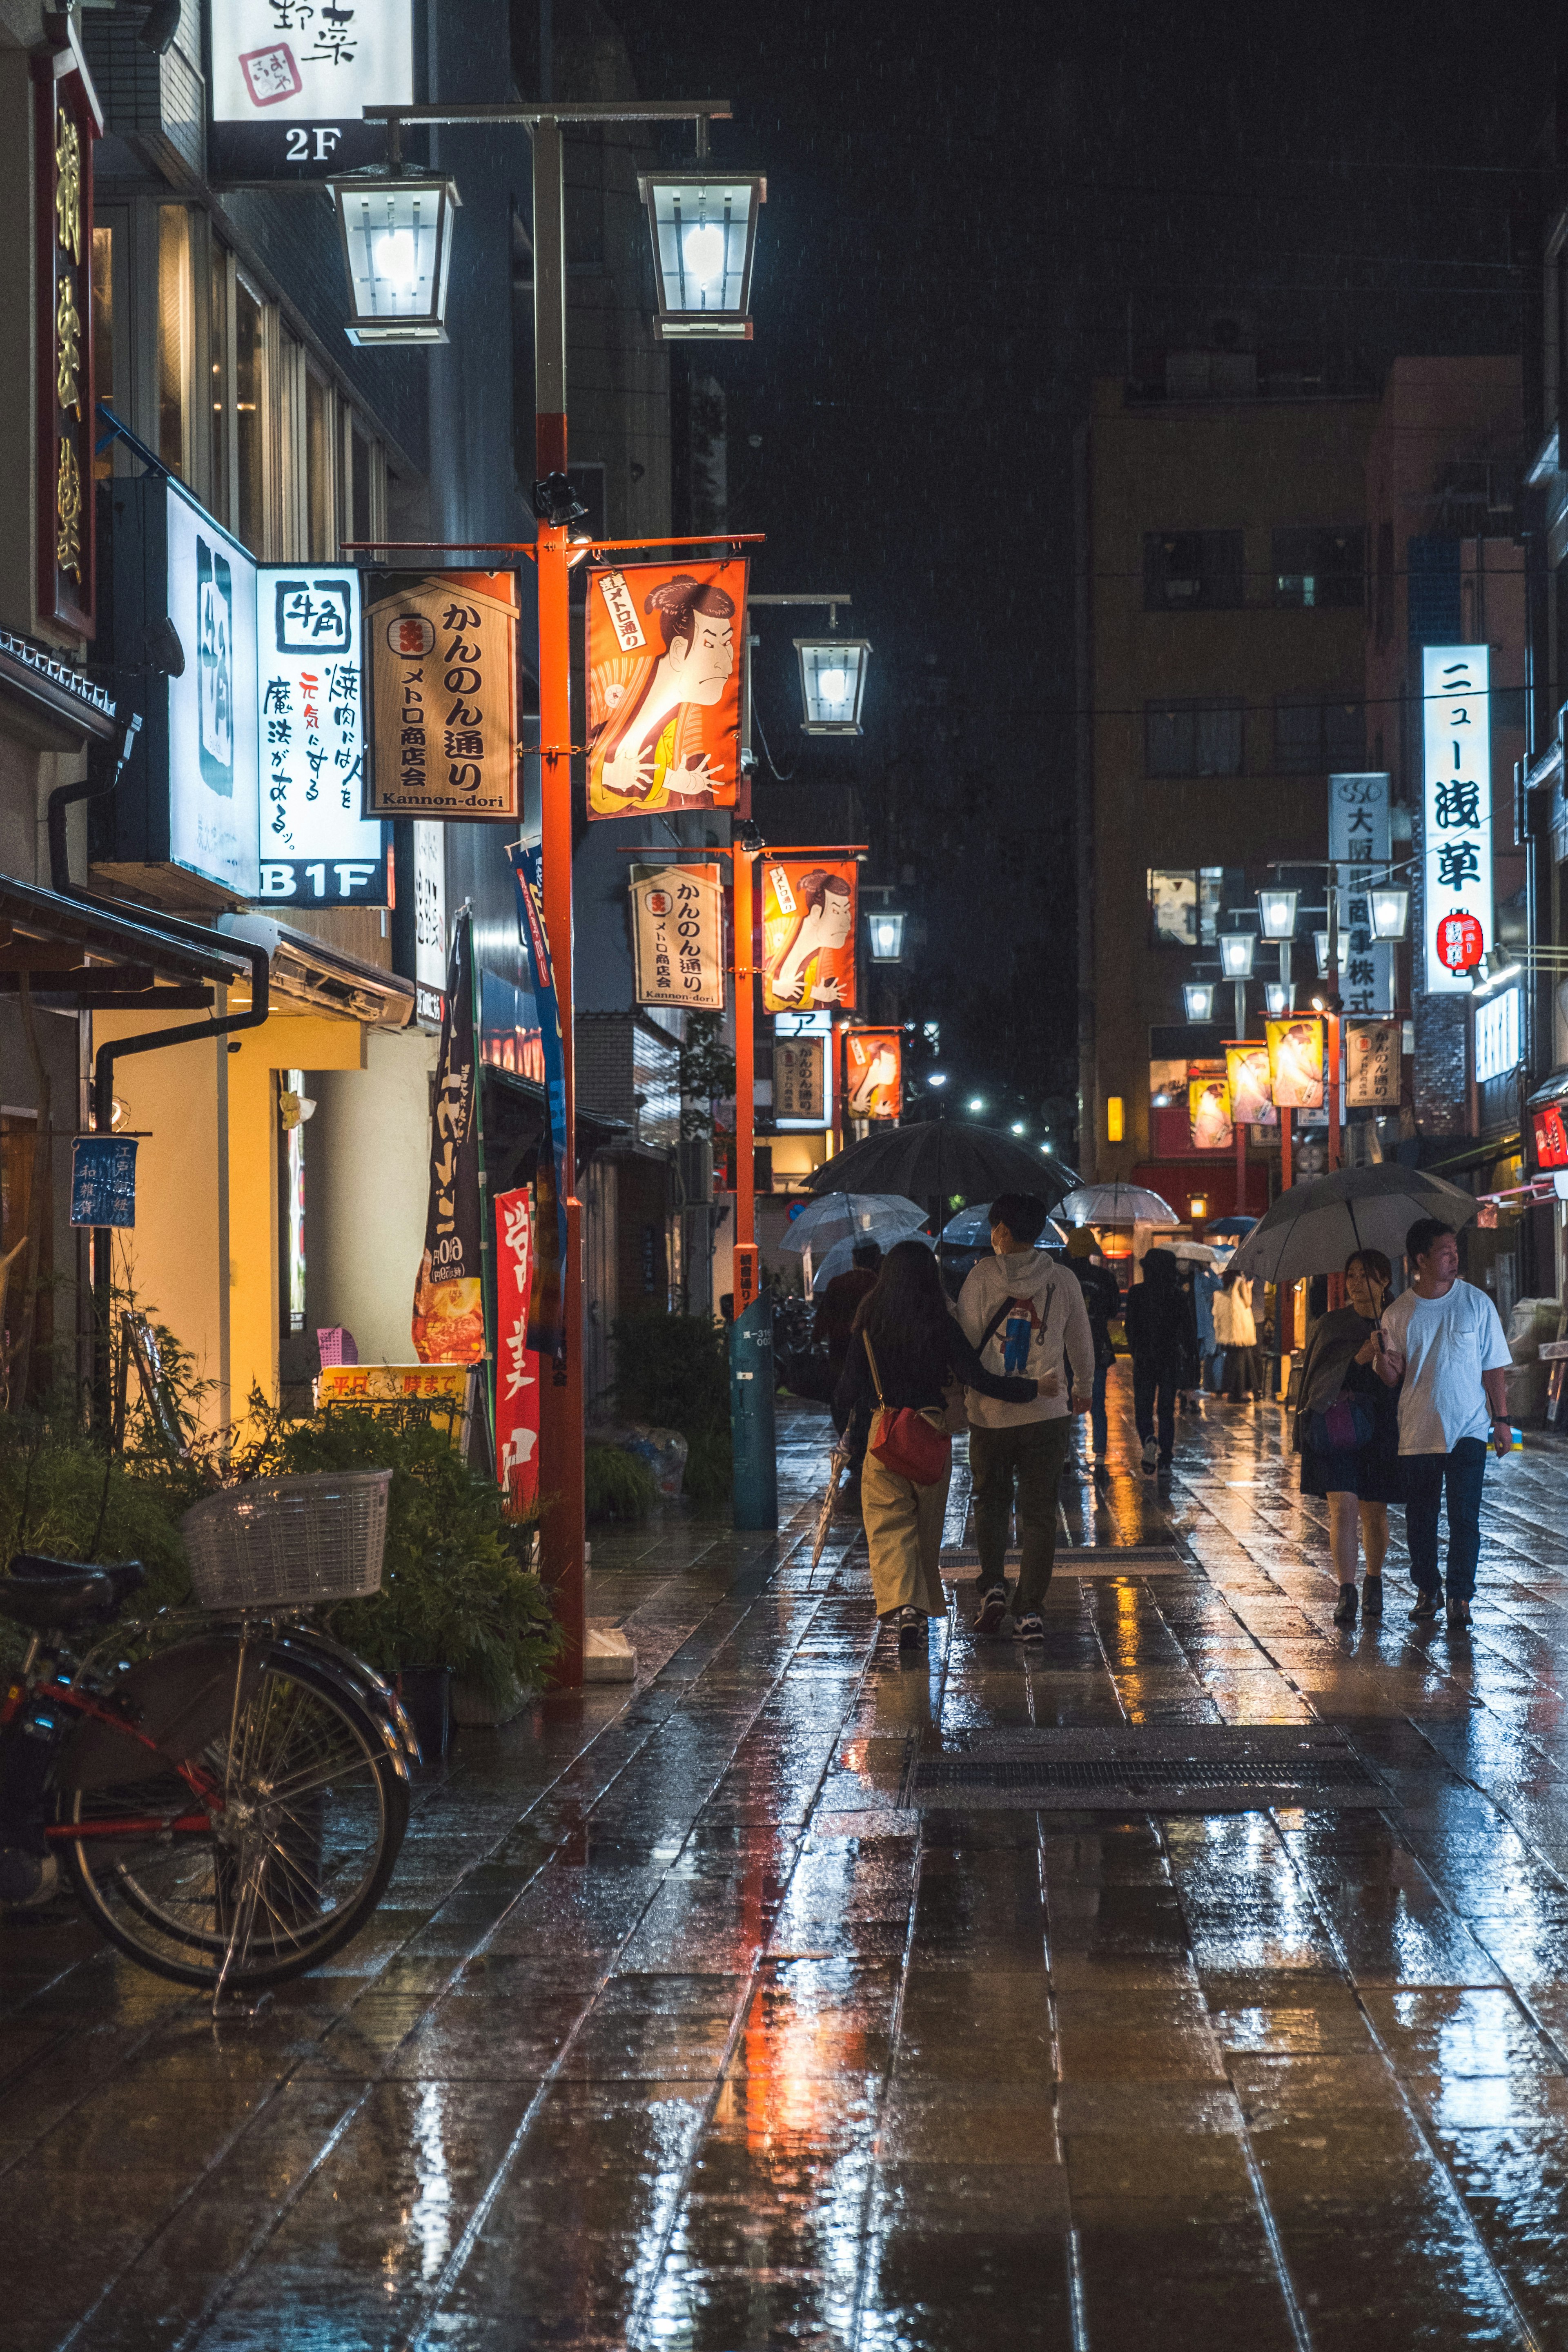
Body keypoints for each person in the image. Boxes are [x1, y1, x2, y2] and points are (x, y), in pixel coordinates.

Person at [834, 1240, 1038, 1647]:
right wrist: (1031, 1390)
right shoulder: (941, 1323)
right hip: (929, 1434)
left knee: (889, 1530)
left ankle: (907, 1607)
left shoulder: (869, 1323)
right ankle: (921, 1608)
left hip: (884, 1435)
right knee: (925, 1533)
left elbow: (846, 1392)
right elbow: (976, 1377)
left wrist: (852, 1443)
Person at [957, 1194, 1094, 1642]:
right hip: (1046, 1413)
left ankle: (994, 1585)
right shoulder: (1063, 1278)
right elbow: (1081, 1341)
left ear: (1002, 1232)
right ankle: (1030, 1611)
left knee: (990, 1502)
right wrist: (1083, 1387)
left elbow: (967, 1347)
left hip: (989, 1414)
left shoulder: (979, 1278)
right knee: (1039, 1514)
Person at [1374, 1216, 1513, 1630]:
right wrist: (1384, 1362)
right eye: (1445, 1253)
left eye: (1455, 1252)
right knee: (1421, 1518)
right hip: (1418, 1430)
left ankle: (1459, 1597)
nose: (1454, 1259)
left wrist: (1502, 1421)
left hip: (1469, 1427)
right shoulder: (1398, 1313)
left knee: (1465, 1517)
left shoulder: (1477, 1304)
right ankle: (1427, 1589)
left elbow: (1494, 1368)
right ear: (1421, 1259)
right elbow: (1392, 1378)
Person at [1294, 1249, 1403, 1627]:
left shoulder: (1398, 1320)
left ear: (1385, 1280)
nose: (1357, 1283)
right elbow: (1316, 1381)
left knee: (1374, 1510)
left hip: (1381, 1429)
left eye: (1366, 1276)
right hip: (1338, 1427)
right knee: (1343, 1508)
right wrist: (1357, 1359)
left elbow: (1405, 1382)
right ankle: (1347, 1590)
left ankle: (1373, 1580)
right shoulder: (1330, 1325)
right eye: (1352, 1275)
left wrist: (1387, 1358)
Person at [587, 573, 737, 814]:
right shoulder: (615, 676)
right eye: (710, 645)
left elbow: (684, 785)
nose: (727, 666)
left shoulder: (690, 713)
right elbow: (571, 746)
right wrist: (607, 773)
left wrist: (680, 783)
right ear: (679, 650)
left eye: (727, 644)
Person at [814, 1240, 882, 1510]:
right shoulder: (880, 1286)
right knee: (868, 1405)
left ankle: (851, 1448)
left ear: (854, 1259)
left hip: (840, 1358)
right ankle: (865, 1452)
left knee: (842, 1405)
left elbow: (823, 1321)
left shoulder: (838, 1284)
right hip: (872, 1359)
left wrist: (818, 1337)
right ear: (876, 1259)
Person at [1123, 1247, 1198, 1472]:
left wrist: (1136, 1351)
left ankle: (1148, 1439)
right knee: (1166, 1410)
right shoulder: (1177, 1295)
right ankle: (1166, 1458)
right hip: (1170, 1359)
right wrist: (1192, 1357)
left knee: (1143, 1408)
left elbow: (1131, 1328)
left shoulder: (1137, 1293)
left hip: (1145, 1357)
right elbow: (1188, 1331)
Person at [1064, 1227, 1120, 1484]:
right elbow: (1112, 1310)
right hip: (1096, 1345)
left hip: (1064, 1346)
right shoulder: (1104, 1278)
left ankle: (1064, 1454)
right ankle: (1099, 1455)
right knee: (1097, 1403)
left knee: (1063, 1401)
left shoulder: (1062, 1277)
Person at [1213, 1267, 1261, 1401]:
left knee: (1232, 1361)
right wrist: (1249, 1287)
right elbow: (1247, 1302)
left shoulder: (1224, 1282)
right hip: (1240, 1329)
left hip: (1229, 1330)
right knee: (1240, 1363)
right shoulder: (1240, 1281)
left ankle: (1231, 1392)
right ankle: (1237, 1394)